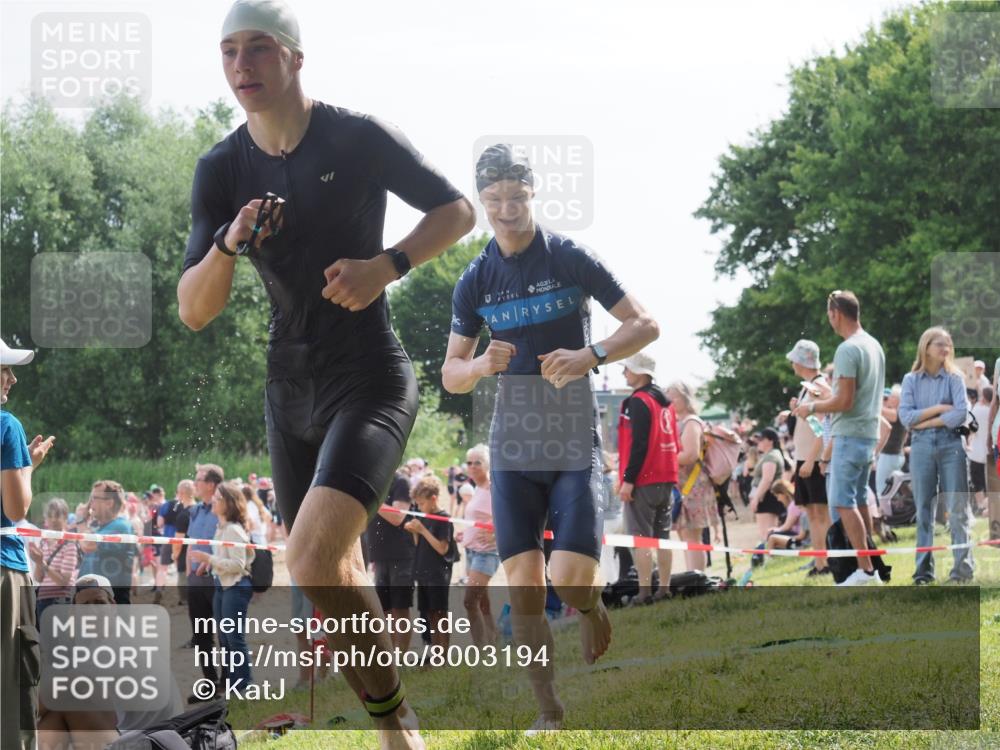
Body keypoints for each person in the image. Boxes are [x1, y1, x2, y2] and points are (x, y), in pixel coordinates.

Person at [176, 2, 474, 743]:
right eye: (228, 52)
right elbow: (193, 309)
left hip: (369, 376)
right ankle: (392, 718)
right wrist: (228, 243)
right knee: (332, 571)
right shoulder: (220, 168)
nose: (241, 65)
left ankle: (396, 720)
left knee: (310, 557)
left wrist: (388, 265)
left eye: (258, 48)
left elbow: (457, 210)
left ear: (295, 58)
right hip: (288, 391)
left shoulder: (356, 135)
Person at [442, 143, 659, 732]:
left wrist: (591, 354)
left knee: (567, 578)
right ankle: (549, 709)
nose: (506, 209)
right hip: (512, 448)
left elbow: (645, 323)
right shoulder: (475, 279)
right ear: (482, 200)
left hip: (570, 443)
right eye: (493, 199)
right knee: (525, 590)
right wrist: (481, 364)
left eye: (516, 196)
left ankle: (590, 606)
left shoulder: (567, 256)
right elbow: (451, 374)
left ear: (533, 193)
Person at [793, 290, 885, 586]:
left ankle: (865, 570)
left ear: (836, 314)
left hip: (849, 435)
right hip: (867, 434)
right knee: (858, 501)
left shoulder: (847, 349)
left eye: (828, 314)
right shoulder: (874, 345)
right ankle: (872, 566)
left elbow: (844, 401)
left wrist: (811, 408)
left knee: (843, 503)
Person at [2, 338, 55, 750]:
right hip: (5, 570)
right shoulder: (7, 426)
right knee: (14, 685)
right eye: (4, 370)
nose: (12, 378)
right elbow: (16, 508)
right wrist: (28, 470)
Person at [898, 327, 973, 585]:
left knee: (957, 509)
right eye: (940, 344)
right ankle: (923, 572)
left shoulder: (955, 378)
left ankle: (962, 571)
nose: (946, 348)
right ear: (926, 347)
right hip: (921, 447)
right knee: (923, 510)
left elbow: (961, 413)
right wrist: (941, 408)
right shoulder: (910, 380)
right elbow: (906, 417)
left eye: (948, 344)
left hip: (951, 444)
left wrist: (926, 422)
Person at [617, 352, 678, 602]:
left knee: (640, 539)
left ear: (640, 372)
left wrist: (628, 480)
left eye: (627, 368)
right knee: (664, 538)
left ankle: (644, 593)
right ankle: (664, 589)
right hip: (667, 475)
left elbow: (639, 444)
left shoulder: (639, 401)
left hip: (644, 478)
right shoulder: (666, 402)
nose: (624, 372)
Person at [189, 481, 256, 690]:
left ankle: (244, 686)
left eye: (218, 498)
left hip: (235, 587)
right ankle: (233, 686)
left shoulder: (233, 530)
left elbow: (238, 565)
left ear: (228, 503)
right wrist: (209, 565)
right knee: (226, 640)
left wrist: (209, 559)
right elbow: (225, 559)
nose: (213, 501)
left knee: (234, 639)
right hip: (223, 586)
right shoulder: (222, 528)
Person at [785, 339, 833, 577]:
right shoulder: (808, 387)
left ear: (801, 362)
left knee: (820, 513)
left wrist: (813, 460)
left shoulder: (819, 387)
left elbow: (825, 427)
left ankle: (828, 562)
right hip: (804, 457)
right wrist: (796, 410)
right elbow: (813, 423)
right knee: (812, 514)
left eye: (794, 360)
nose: (792, 364)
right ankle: (820, 562)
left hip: (812, 459)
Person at [403, 475, 454, 657]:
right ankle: (435, 651)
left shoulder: (443, 519)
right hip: (423, 571)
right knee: (429, 613)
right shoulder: (424, 516)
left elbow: (442, 548)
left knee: (440, 613)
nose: (419, 507)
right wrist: (415, 532)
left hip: (438, 574)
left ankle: (443, 654)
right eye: (417, 504)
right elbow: (419, 544)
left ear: (433, 499)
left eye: (422, 503)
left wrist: (422, 530)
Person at [367, 469, 416, 653]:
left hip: (401, 555)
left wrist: (372, 499)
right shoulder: (375, 481)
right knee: (384, 609)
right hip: (380, 556)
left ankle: (401, 656)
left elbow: (397, 517)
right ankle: (389, 655)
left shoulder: (401, 482)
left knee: (400, 608)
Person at [185, 463, 223, 695]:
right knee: (201, 636)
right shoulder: (196, 511)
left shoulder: (224, 508)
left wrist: (208, 563)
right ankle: (210, 683)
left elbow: (227, 543)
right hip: (196, 582)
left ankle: (228, 683)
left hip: (218, 579)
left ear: (211, 484)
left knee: (225, 635)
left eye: (198, 479)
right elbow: (191, 541)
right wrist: (190, 571)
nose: (194, 484)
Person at [457, 445, 499, 647]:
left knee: (469, 601)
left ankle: (481, 648)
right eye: (469, 463)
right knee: (482, 602)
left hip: (486, 553)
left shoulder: (494, 487)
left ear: (487, 465)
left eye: (477, 463)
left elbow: (510, 514)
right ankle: (493, 641)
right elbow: (480, 518)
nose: (472, 466)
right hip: (471, 551)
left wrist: (496, 535)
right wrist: (465, 533)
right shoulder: (477, 488)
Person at [78, 481, 137, 604]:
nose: (89, 504)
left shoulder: (121, 526)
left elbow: (88, 545)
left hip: (110, 603)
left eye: (94, 498)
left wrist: (81, 520)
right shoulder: (99, 528)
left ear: (109, 503)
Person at [30, 497, 79, 623]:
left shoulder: (70, 544)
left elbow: (63, 581)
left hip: (62, 600)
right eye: (49, 516)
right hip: (43, 599)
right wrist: (38, 562)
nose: (53, 520)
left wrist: (42, 563)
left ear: (65, 517)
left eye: (57, 516)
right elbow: (38, 578)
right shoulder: (43, 542)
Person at [747, 428, 787, 543]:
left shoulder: (771, 456)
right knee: (768, 532)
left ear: (770, 441)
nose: (758, 442)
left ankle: (768, 552)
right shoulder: (771, 454)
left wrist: (756, 498)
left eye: (761, 439)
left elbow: (767, 479)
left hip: (767, 496)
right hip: (767, 495)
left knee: (766, 533)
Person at [762, 479, 808, 552]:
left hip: (798, 541)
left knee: (772, 535)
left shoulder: (794, 506)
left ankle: (768, 555)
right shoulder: (795, 506)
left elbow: (788, 527)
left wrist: (777, 532)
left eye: (777, 496)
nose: (778, 499)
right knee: (772, 536)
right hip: (797, 538)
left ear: (783, 493)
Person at [969, 386, 994, 515]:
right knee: (991, 482)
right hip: (992, 452)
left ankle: (981, 506)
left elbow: (971, 429)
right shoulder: (994, 411)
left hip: (976, 452)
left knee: (977, 481)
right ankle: (990, 506)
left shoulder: (977, 410)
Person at [172, 479, 196, 607]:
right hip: (200, 556)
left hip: (185, 555)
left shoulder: (183, 515)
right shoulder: (200, 510)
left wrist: (174, 555)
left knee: (183, 585)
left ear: (181, 493)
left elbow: (178, 541)